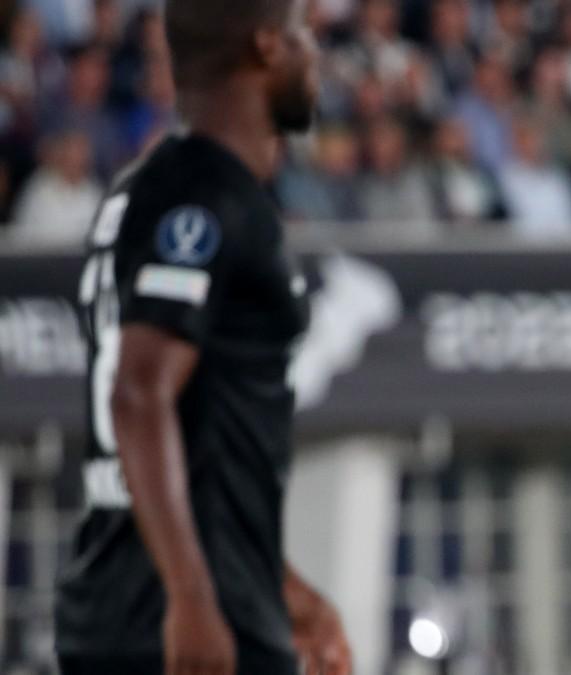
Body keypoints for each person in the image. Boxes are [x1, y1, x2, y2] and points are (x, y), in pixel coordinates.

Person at [55, 1, 352, 674]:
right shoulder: (203, 196)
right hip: (178, 625)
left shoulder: (148, 191)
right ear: (266, 46)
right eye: (304, 34)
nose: (316, 55)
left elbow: (201, 449)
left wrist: (290, 595)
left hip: (141, 607)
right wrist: (192, 595)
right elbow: (138, 394)